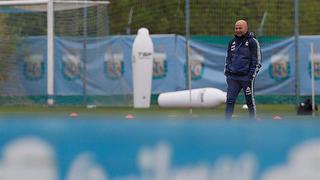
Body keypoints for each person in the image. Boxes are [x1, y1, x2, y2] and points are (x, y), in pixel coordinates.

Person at [224, 19, 262, 120]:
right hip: (233, 78)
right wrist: (227, 71)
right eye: (236, 28)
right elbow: (228, 58)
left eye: (240, 28)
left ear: (246, 28)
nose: (238, 30)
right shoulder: (232, 42)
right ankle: (226, 123)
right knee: (230, 100)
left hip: (246, 78)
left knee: (249, 101)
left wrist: (251, 75)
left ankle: (252, 121)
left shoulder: (253, 42)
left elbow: (257, 61)